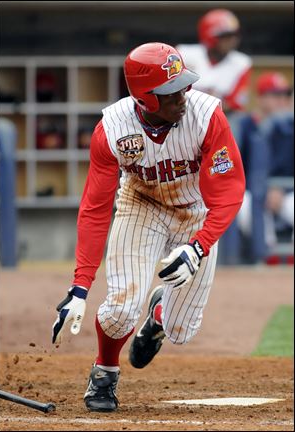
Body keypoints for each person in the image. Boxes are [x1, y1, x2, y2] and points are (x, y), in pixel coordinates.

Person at [51, 42, 245, 412]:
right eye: (171, 92)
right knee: (121, 308)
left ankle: (158, 317)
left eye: (184, 85)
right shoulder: (111, 129)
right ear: (145, 99)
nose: (184, 96)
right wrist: (80, 286)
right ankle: (105, 372)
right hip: (141, 205)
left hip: (195, 212)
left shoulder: (207, 116)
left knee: (181, 330)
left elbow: (230, 192)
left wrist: (199, 246)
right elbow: (94, 208)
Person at [236, 71, 294, 262]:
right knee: (243, 205)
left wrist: (280, 189)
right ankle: (268, 262)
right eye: (276, 95)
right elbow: (237, 168)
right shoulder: (245, 125)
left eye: (285, 95)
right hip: (251, 192)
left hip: (286, 193)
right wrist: (263, 189)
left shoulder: (290, 125)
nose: (282, 100)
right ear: (261, 98)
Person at [176, 8, 252, 114]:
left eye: (234, 36)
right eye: (226, 36)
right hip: (182, 113)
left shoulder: (241, 63)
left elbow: (235, 104)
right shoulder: (183, 54)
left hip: (218, 116)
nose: (232, 41)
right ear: (209, 36)